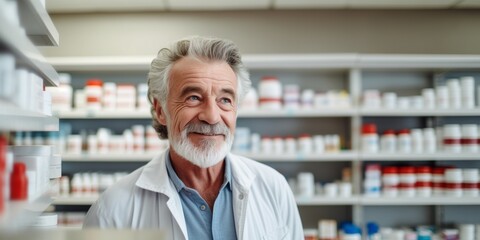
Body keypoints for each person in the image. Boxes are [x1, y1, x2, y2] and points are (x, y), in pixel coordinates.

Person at [83, 36, 304, 239]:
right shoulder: (113, 208)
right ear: (161, 111)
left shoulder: (273, 187)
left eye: (225, 100)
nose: (211, 116)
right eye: (193, 97)